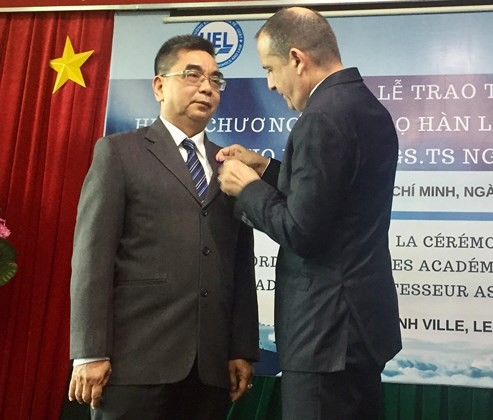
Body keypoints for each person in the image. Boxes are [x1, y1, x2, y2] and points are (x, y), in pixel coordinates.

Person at [217, 7, 401, 419]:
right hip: (360, 330)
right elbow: (338, 197)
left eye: (271, 68)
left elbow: (303, 230)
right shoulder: (365, 105)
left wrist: (247, 189)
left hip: (325, 335)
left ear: (298, 59)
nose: (270, 82)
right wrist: (266, 169)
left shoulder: (320, 118)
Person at [68, 34, 259, 419]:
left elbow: (240, 265)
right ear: (159, 85)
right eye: (193, 75)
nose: (207, 87)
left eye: (215, 80)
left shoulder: (231, 168)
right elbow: (92, 258)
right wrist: (89, 351)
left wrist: (241, 347)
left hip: (209, 370)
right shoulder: (119, 153)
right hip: (133, 364)